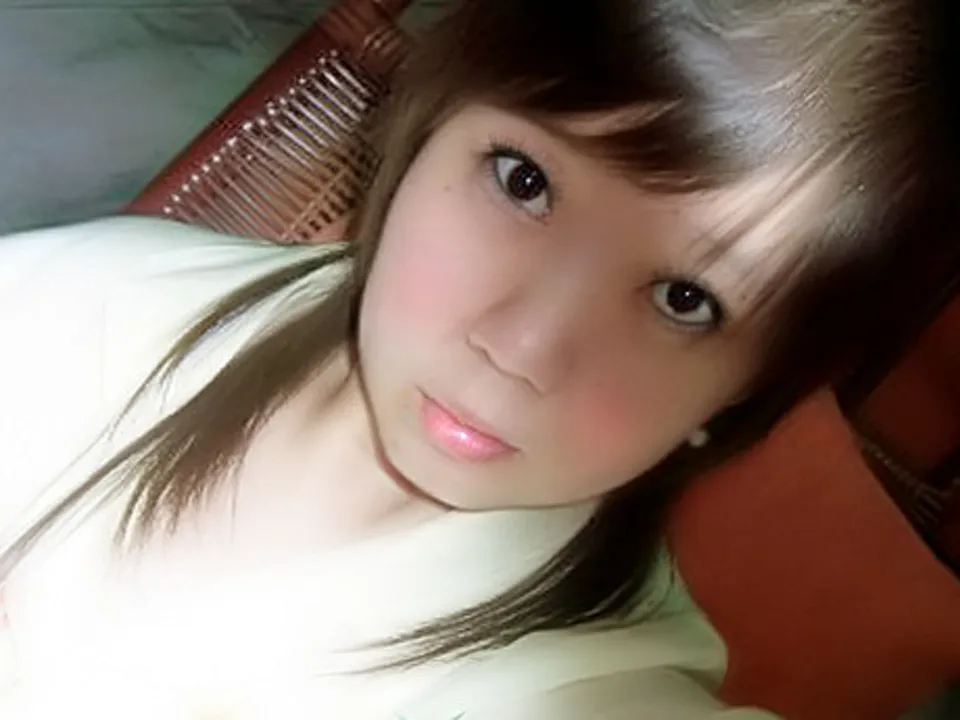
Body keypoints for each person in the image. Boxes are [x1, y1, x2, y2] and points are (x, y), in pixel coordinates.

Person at [0, 0, 943, 717]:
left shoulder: (575, 691)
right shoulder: (98, 296)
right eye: (523, 181)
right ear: (429, 124)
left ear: (746, 394)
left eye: (684, 300)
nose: (520, 348)